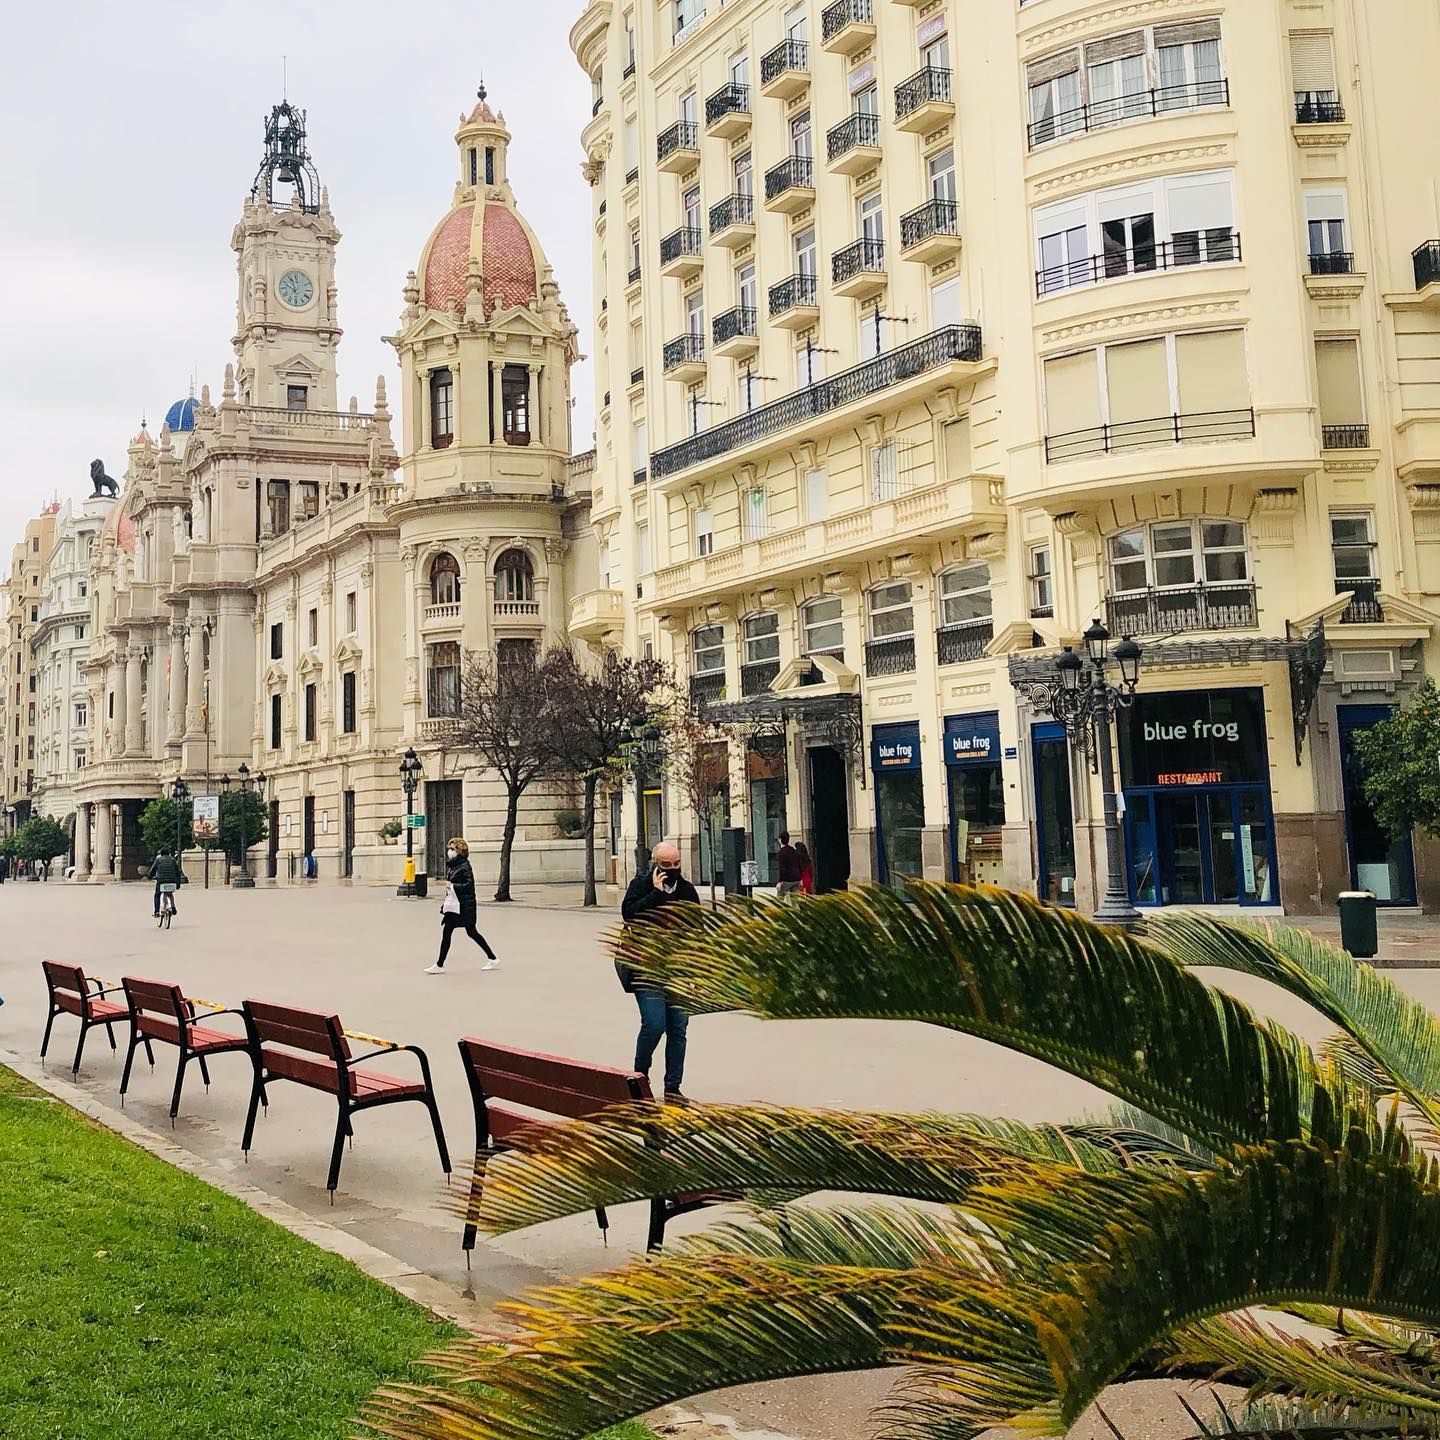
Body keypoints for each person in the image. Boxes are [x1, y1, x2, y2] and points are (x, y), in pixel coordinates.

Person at [619, 840, 699, 1101]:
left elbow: (696, 931)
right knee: (654, 1024)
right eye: (666, 865)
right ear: (655, 864)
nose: (672, 869)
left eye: (677, 864)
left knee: (678, 1027)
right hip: (646, 967)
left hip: (678, 969)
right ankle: (640, 1076)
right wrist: (654, 893)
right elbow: (629, 915)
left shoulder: (686, 891)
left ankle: (673, 1088)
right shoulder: (640, 885)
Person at [424, 836, 500, 974]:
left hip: (464, 906)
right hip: (456, 905)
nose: (449, 851)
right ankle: (440, 965)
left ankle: (492, 958)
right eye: (449, 849)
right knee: (455, 932)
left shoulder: (464, 866)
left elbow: (469, 885)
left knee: (470, 932)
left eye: (452, 849)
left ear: (459, 851)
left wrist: (453, 886)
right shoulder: (454, 866)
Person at [148, 848, 182, 917]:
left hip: (161, 881)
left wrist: (150, 877)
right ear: (169, 853)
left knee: (157, 895)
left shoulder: (158, 860)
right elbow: (178, 872)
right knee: (170, 894)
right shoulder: (173, 860)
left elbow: (153, 870)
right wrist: (178, 884)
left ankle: (157, 912)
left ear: (161, 854)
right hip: (172, 881)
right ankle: (173, 906)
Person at [775, 831, 802, 897]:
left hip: (786, 880)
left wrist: (779, 882)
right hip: (796, 880)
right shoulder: (793, 851)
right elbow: (798, 864)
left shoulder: (781, 853)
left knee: (779, 901)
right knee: (795, 902)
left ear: (780, 840)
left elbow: (782, 868)